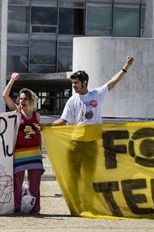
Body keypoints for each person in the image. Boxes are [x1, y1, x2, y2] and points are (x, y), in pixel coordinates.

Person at [52, 56, 135, 214]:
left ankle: (88, 206)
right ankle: (75, 208)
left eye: (76, 83)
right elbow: (63, 121)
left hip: (91, 144)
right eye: (73, 83)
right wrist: (45, 126)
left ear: (84, 83)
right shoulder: (72, 101)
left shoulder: (96, 94)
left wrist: (126, 67)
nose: (74, 85)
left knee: (89, 178)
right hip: (75, 144)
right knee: (73, 177)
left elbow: (113, 81)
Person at [3, 73, 43, 215]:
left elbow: (39, 135)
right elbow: (5, 96)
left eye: (25, 99)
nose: (22, 101)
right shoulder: (16, 112)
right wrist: (12, 80)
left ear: (30, 100)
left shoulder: (36, 115)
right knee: (17, 184)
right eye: (20, 99)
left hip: (34, 153)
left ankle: (35, 208)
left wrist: (41, 151)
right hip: (19, 152)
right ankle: (17, 208)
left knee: (35, 184)